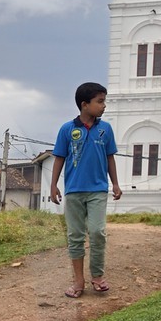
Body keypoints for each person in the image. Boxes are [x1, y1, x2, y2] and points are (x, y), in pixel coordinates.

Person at [48, 82, 122, 297]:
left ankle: (97, 276)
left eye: (104, 101)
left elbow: (110, 158)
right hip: (74, 191)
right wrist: (53, 186)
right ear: (84, 104)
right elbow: (59, 158)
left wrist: (115, 183)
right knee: (75, 236)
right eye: (100, 102)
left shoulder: (105, 129)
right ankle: (78, 282)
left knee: (97, 232)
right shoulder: (67, 129)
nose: (104, 106)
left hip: (98, 190)